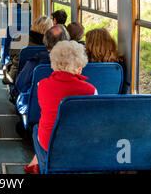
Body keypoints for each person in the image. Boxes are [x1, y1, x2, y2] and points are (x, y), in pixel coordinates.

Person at [24, 41, 98, 174]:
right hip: (81, 144)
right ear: (79, 66)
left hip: (51, 143)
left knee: (37, 128)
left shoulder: (42, 85)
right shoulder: (91, 90)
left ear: (54, 64)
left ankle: (40, 164)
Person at [12, 25, 70, 105]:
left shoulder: (35, 63)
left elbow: (19, 86)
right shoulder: (76, 64)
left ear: (46, 41)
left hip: (37, 107)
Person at [2, 15, 53, 85]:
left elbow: (11, 54)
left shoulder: (20, 39)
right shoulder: (52, 45)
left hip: (20, 79)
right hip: (45, 79)